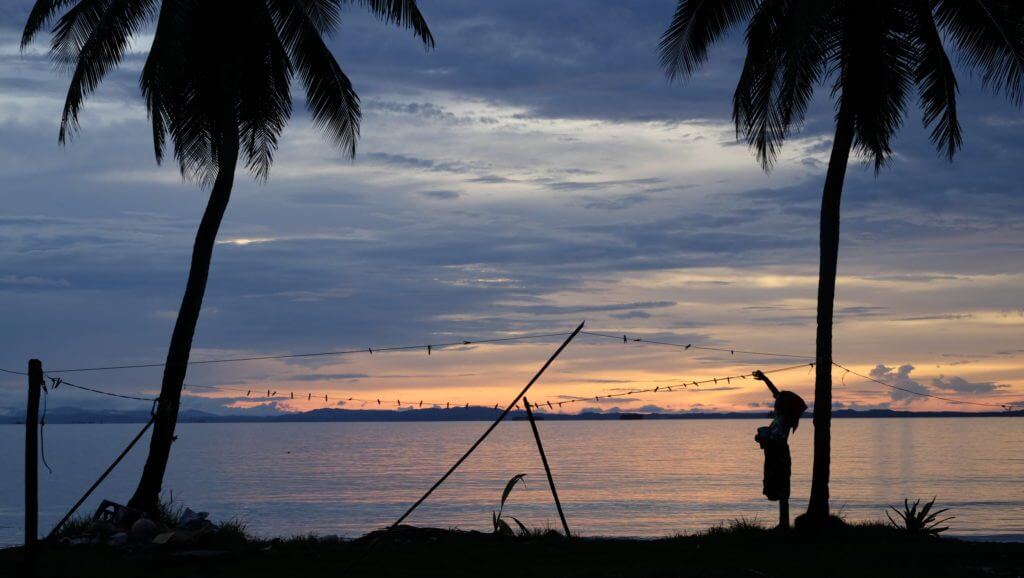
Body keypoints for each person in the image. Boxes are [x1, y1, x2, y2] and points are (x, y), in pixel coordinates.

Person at [752, 369, 807, 529]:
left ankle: (783, 524)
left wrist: (762, 438)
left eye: (778, 401)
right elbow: (775, 392)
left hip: (779, 454)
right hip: (774, 453)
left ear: (783, 406)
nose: (775, 401)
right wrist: (764, 379)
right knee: (778, 486)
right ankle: (783, 523)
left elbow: (778, 439)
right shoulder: (780, 416)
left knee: (782, 488)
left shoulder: (786, 419)